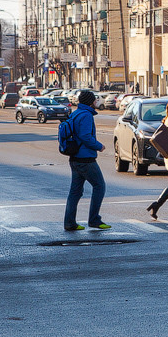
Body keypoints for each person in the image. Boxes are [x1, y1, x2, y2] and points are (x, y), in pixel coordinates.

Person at [63, 90, 111, 231]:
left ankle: (69, 222)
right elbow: (85, 136)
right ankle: (94, 219)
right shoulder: (86, 115)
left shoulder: (76, 113)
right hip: (86, 159)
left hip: (75, 157)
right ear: (90, 102)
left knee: (75, 192)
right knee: (99, 186)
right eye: (94, 100)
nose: (96, 102)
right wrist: (99, 146)